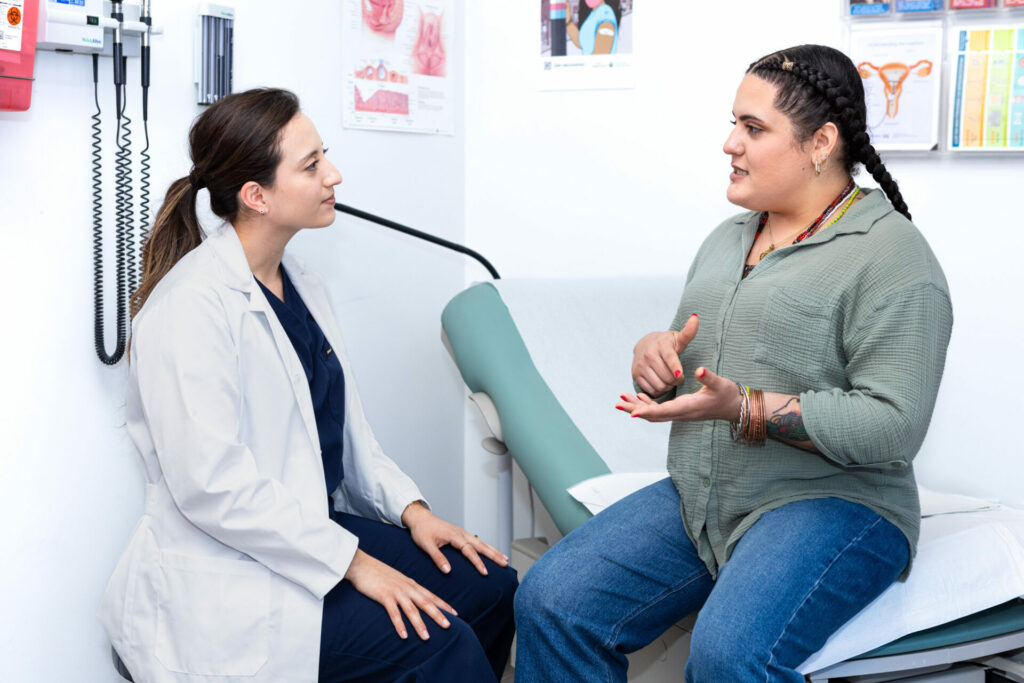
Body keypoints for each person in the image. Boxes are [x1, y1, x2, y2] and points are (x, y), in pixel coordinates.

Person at [513, 44, 953, 682]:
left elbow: (894, 424)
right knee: (552, 601)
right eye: (733, 124)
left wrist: (744, 408)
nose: (729, 144)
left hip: (831, 502)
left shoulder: (893, 260)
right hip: (706, 495)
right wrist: (653, 354)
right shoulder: (729, 239)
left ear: (821, 142)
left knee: (726, 656)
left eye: (753, 129)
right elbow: (698, 354)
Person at [97, 88, 517, 683]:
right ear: (256, 196)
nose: (333, 175)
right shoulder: (189, 308)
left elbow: (351, 437)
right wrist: (355, 564)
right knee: (439, 642)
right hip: (233, 569)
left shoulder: (304, 285)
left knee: (491, 587)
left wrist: (412, 510)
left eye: (326, 156)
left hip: (310, 532)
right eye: (312, 165)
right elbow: (212, 487)